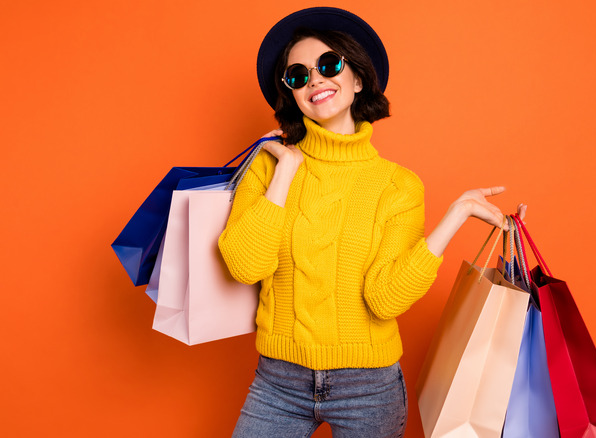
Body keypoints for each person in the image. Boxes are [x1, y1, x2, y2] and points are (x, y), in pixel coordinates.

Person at [218, 7, 526, 437]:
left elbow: (383, 300)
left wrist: (454, 216)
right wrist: (286, 171)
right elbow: (245, 267)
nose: (315, 80)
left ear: (357, 78)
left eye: (328, 65)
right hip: (278, 382)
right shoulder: (267, 168)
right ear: (290, 92)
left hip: (368, 388)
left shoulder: (397, 185)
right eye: (298, 75)